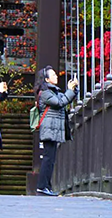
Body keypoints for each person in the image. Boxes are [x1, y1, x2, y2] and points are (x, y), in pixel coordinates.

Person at [33, 66, 78, 196]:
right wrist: (69, 90)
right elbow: (60, 102)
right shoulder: (45, 93)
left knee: (50, 158)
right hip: (49, 128)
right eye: (53, 75)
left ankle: (46, 186)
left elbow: (65, 99)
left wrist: (74, 89)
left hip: (53, 128)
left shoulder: (53, 91)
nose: (56, 76)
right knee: (48, 158)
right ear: (46, 79)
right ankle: (42, 186)